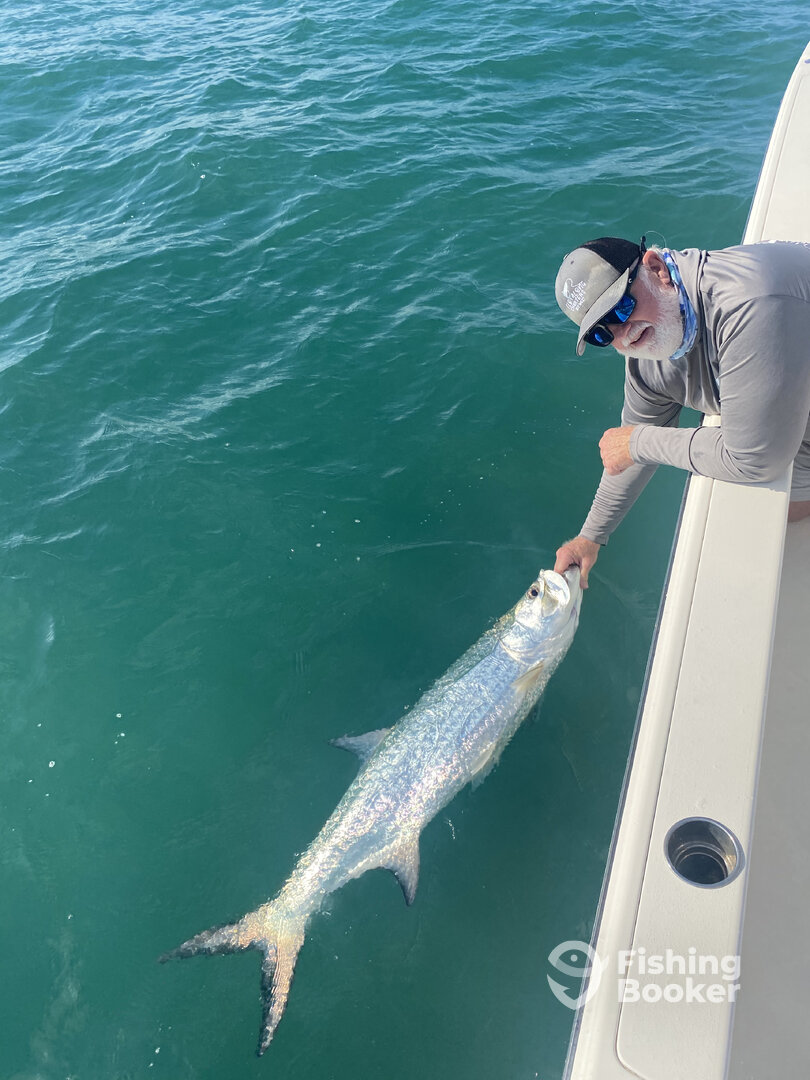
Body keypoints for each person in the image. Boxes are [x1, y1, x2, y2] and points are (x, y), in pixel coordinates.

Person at [551, 235, 810, 587]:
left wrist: (640, 442)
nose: (623, 334)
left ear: (656, 268)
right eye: (601, 333)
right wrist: (589, 537)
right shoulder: (648, 351)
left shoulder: (749, 305)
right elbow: (625, 454)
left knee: (784, 512)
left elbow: (755, 460)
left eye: (621, 308)